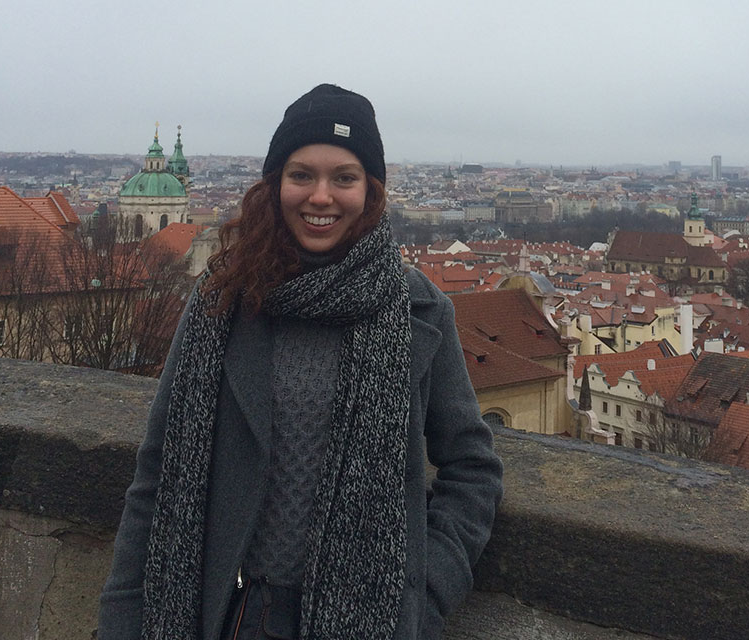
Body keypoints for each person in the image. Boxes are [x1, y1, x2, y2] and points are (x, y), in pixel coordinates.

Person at [97, 84, 503, 640]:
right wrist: (124, 616)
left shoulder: (418, 308)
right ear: (275, 186)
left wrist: (422, 595)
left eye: (344, 177)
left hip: (367, 621)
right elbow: (160, 470)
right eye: (301, 175)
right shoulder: (223, 298)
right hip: (220, 612)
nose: (321, 196)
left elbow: (473, 469)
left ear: (371, 190)